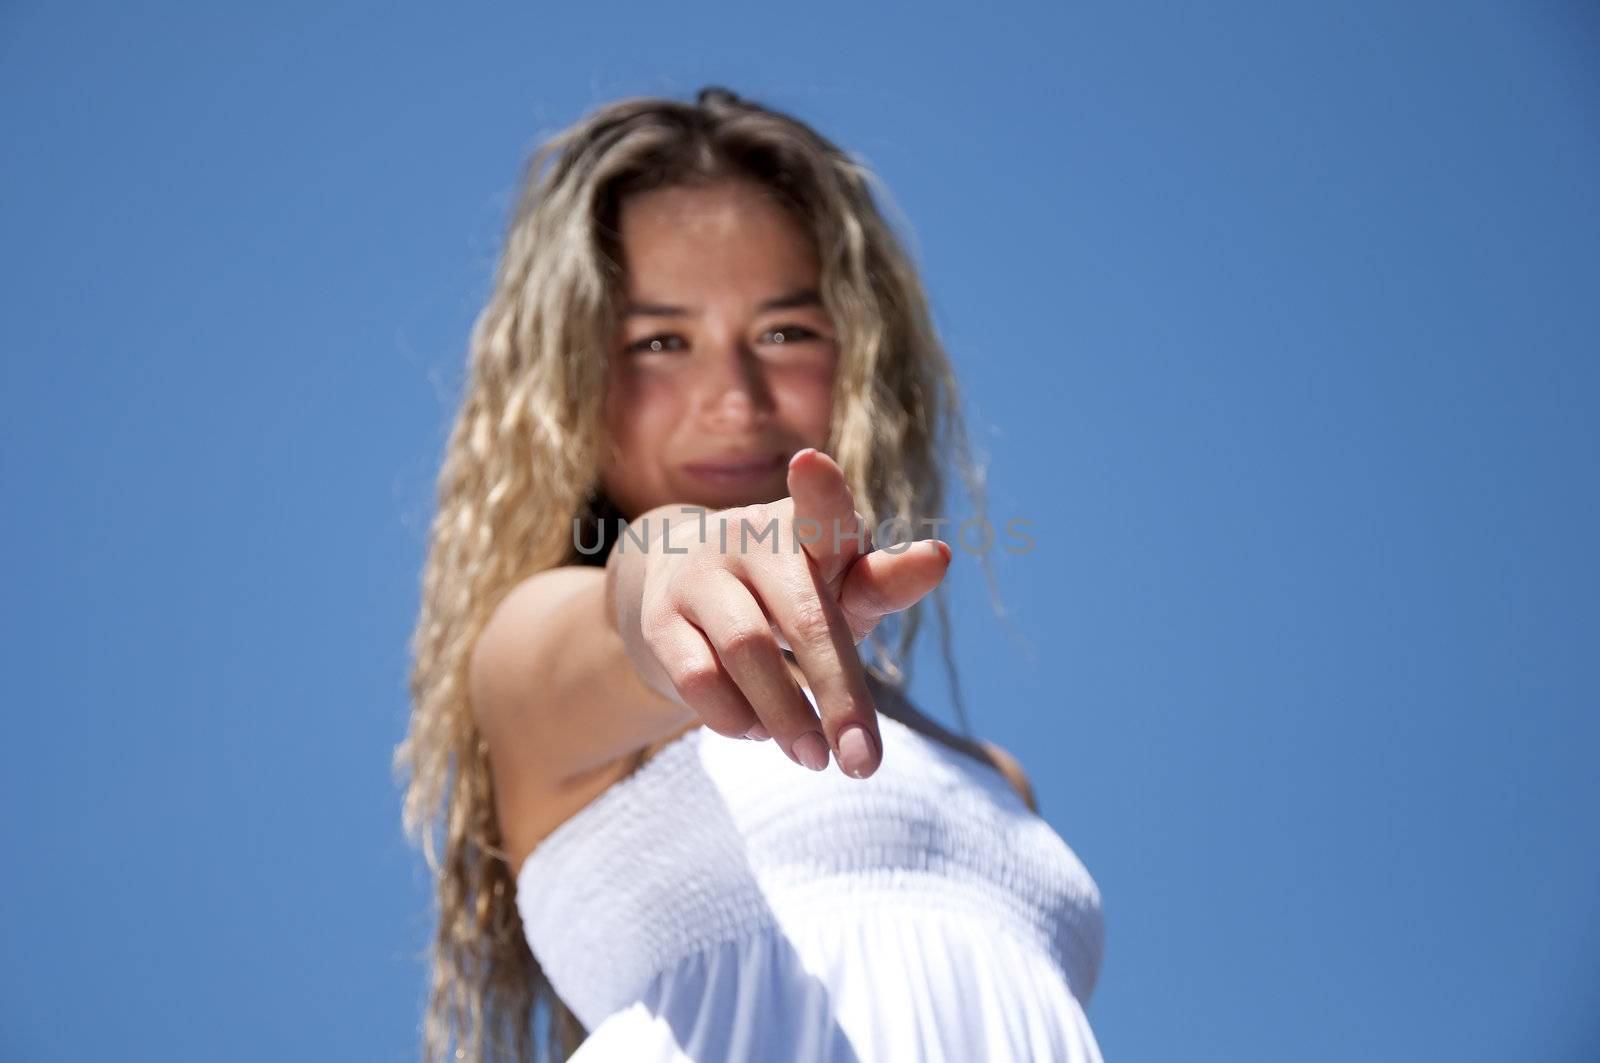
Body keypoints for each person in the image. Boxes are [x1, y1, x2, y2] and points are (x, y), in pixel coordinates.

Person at [393, 85, 1105, 1062]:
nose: (732, 397)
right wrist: (674, 562)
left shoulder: (996, 782)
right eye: (657, 342)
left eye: (784, 332)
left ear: (860, 357)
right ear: (570, 384)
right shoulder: (533, 656)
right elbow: (635, 603)